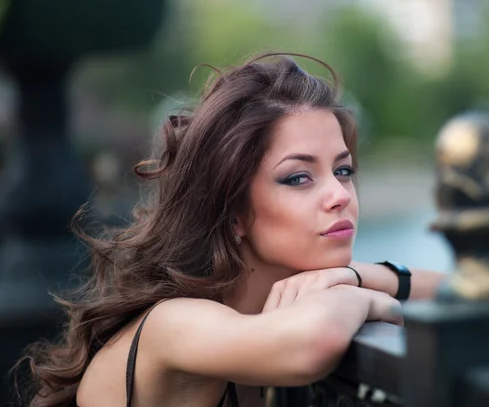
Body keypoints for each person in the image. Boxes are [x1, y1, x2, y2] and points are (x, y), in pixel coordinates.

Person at [20, 53, 445, 407]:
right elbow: (313, 345)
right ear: (233, 212)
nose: (339, 195)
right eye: (298, 178)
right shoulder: (174, 323)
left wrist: (361, 274)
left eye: (343, 169)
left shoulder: (272, 305)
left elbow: (483, 293)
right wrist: (361, 297)